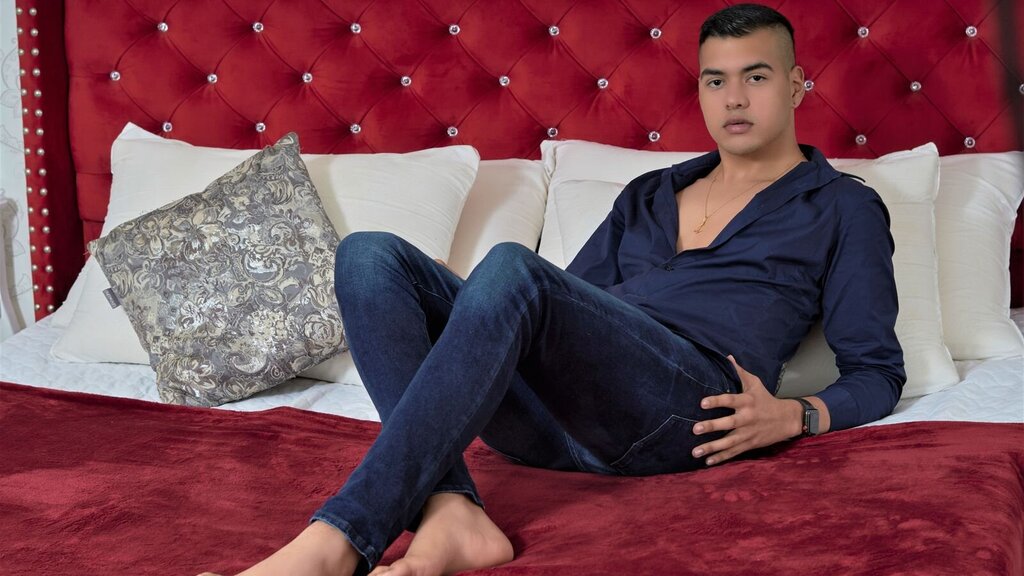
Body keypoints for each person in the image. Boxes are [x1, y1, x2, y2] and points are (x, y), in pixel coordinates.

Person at [201, 3, 905, 576]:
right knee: (368, 257)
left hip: (684, 409)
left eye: (756, 76)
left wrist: (796, 417)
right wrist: (481, 307)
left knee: (512, 267)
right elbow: (566, 309)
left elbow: (878, 371)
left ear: (796, 85)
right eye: (715, 81)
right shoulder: (650, 194)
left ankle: (337, 541)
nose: (735, 98)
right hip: (552, 422)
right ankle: (454, 512)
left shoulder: (843, 206)